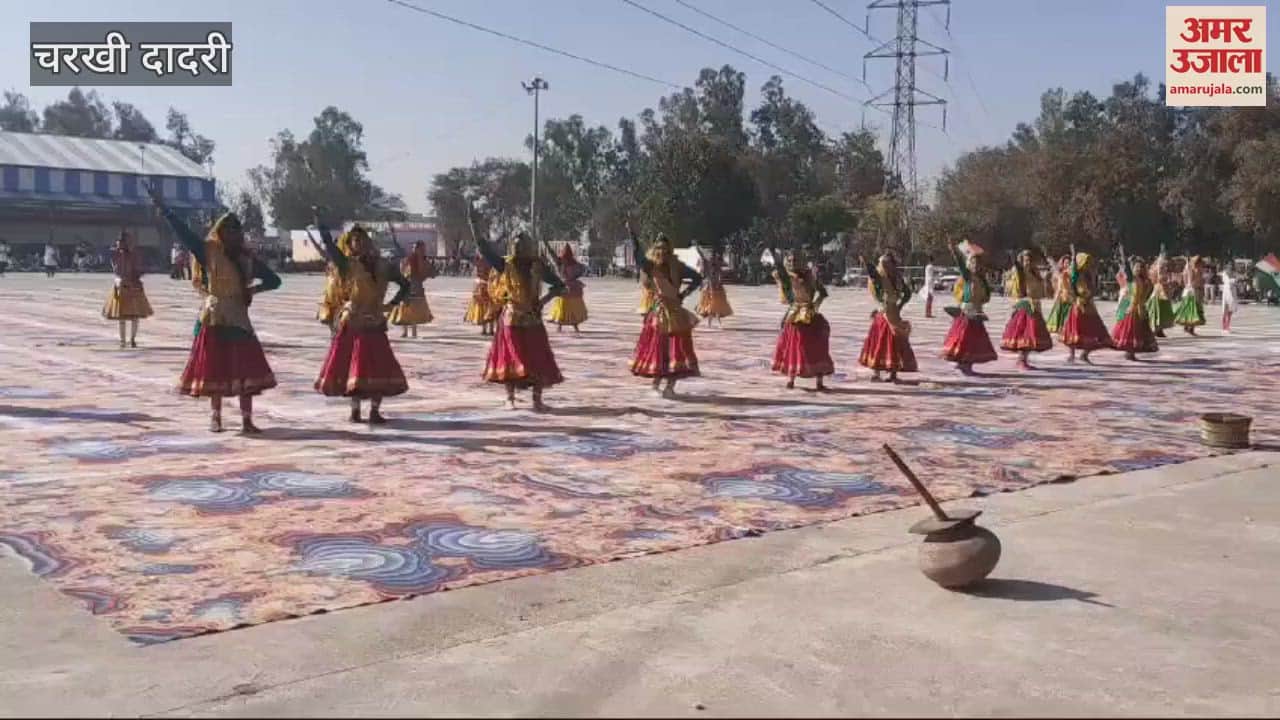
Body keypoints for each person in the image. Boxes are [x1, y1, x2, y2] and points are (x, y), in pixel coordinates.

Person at [149, 184, 279, 434]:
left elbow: (274, 280)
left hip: (239, 319)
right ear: (220, 232)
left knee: (246, 369)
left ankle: (247, 420)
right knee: (215, 368)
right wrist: (165, 210)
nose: (231, 234)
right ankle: (216, 417)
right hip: (215, 318)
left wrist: (252, 291)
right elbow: (185, 234)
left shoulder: (247, 259)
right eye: (226, 230)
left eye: (234, 230)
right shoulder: (209, 252)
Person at [313, 219, 410, 424]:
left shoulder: (384, 265)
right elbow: (331, 249)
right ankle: (355, 410)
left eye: (362, 239)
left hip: (375, 322)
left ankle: (375, 411)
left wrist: (393, 303)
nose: (359, 243)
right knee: (354, 367)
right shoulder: (348, 265)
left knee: (379, 367)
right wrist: (323, 230)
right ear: (350, 245)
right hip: (354, 322)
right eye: (354, 240)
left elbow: (405, 284)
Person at [470, 208, 565, 411]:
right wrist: (474, 226)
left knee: (538, 357)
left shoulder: (537, 266)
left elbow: (559, 285)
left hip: (532, 318)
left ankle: (537, 399)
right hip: (511, 319)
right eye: (515, 242)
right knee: (511, 357)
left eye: (522, 242)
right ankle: (510, 398)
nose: (518, 245)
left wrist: (544, 300)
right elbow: (485, 249)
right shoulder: (506, 265)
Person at [629, 222, 702, 398]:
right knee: (666, 350)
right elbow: (698, 278)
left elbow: (639, 256)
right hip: (667, 312)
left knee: (670, 350)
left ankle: (666, 385)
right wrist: (683, 294)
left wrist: (632, 234)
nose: (662, 253)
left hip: (667, 313)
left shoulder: (656, 266)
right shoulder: (659, 266)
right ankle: (662, 384)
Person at [769, 246, 833, 390]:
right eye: (790, 260)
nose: (793, 263)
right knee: (794, 346)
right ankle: (791, 379)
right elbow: (779, 275)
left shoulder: (810, 276)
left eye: (795, 260)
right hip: (795, 314)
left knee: (817, 347)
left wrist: (814, 305)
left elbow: (822, 292)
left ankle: (819, 381)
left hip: (810, 315)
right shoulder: (788, 276)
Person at [859, 251, 917, 383]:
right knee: (879, 343)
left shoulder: (897, 277)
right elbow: (872, 274)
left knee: (895, 343)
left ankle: (893, 373)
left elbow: (907, 293)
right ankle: (876, 372)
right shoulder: (880, 277)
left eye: (887, 264)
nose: (885, 266)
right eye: (883, 264)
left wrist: (900, 305)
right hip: (883, 315)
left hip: (894, 314)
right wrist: (867, 263)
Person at [941, 243, 998, 375]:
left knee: (974, 341)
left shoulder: (982, 280)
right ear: (969, 264)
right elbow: (961, 265)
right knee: (963, 339)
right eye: (973, 263)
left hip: (977, 313)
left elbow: (985, 297)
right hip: (966, 313)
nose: (976, 266)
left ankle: (968, 364)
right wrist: (955, 253)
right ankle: (962, 363)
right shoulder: (968, 277)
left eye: (978, 264)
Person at [1001, 250, 1053, 370]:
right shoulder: (1020, 273)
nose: (1028, 262)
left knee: (1032, 335)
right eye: (1025, 260)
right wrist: (1014, 258)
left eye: (1030, 260)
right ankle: (1021, 360)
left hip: (1034, 306)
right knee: (1025, 334)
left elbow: (1041, 290)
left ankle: (1024, 359)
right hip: (1024, 306)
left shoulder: (1035, 274)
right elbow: (1018, 269)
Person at [102, 230, 154, 348]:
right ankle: (123, 340)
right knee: (122, 316)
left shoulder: (134, 254)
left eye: (122, 242)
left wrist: (138, 274)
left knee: (134, 316)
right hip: (121, 285)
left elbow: (139, 268)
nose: (121, 244)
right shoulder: (116, 254)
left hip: (133, 286)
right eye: (120, 242)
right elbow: (115, 266)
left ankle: (132, 339)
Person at [1061, 248, 1113, 364]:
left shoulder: (1088, 275)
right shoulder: (1074, 275)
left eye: (1088, 263)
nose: (1087, 265)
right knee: (1075, 330)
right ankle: (1072, 355)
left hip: (1089, 305)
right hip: (1078, 306)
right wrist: (1073, 257)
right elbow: (1072, 279)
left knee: (1094, 330)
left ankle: (1084, 355)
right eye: (1085, 263)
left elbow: (1092, 289)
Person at [1110, 247, 1158, 361]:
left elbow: (1147, 294)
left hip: (1141, 308)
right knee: (1130, 332)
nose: (1138, 269)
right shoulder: (1132, 279)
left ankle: (1132, 353)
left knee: (1140, 332)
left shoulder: (1146, 281)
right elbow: (1126, 269)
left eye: (1141, 267)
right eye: (1136, 266)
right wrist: (1123, 255)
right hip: (1132, 308)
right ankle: (1129, 352)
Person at [388, 240, 435, 339]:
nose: (422, 250)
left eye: (422, 248)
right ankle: (405, 331)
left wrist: (427, 274)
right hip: (409, 285)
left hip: (417, 286)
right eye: (419, 248)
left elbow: (429, 272)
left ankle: (414, 331)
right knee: (405, 308)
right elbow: (403, 270)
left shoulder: (423, 260)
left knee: (415, 309)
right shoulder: (408, 259)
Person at [305, 229, 346, 337]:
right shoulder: (328, 258)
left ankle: (337, 334)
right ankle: (334, 334)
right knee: (330, 317)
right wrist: (310, 237)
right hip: (331, 291)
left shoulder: (344, 260)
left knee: (341, 316)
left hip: (342, 291)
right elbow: (319, 249)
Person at [546, 243, 588, 333]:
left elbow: (552, 255)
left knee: (562, 306)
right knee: (572, 307)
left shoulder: (560, 262)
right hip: (574, 288)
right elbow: (582, 270)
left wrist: (547, 246)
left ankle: (560, 326)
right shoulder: (575, 264)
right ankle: (575, 326)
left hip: (563, 287)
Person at [694, 245, 733, 326]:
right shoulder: (707, 265)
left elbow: (722, 273)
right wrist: (698, 249)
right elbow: (703, 258)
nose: (712, 258)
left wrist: (719, 281)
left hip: (716, 287)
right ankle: (710, 323)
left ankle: (716, 322)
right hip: (710, 287)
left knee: (717, 305)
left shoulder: (717, 265)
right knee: (711, 305)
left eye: (713, 256)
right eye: (711, 256)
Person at [463, 252, 498, 336]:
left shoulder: (481, 261)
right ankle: (487, 329)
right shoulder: (489, 260)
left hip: (485, 286)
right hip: (485, 286)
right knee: (486, 308)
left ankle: (488, 329)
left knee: (487, 308)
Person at [1173, 255, 1207, 335]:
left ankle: (1188, 326)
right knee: (1193, 310)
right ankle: (1190, 328)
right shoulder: (1196, 270)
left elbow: (1186, 281)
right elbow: (1194, 281)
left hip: (1189, 290)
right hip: (1194, 291)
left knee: (1190, 310)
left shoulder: (1190, 269)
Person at [1147, 247, 1176, 337]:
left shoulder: (1161, 266)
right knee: (1157, 310)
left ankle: (1159, 329)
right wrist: (1166, 282)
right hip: (1159, 290)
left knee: (1162, 310)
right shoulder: (1159, 265)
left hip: (1161, 289)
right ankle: (1155, 329)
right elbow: (1159, 278)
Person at [1045, 255, 1073, 336]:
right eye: (1065, 263)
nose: (1067, 264)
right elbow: (1058, 284)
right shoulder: (1060, 273)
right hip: (1061, 295)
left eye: (1068, 263)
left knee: (1068, 312)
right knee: (1059, 312)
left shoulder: (1071, 273)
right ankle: (1058, 327)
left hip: (1069, 295)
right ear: (1063, 264)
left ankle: (1067, 327)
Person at [1221, 264, 1237, 334]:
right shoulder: (1224, 274)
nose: (1230, 269)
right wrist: (1234, 280)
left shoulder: (1234, 274)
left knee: (1230, 310)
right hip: (1226, 292)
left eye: (1231, 267)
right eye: (1228, 267)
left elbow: (1234, 282)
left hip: (1232, 293)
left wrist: (1235, 279)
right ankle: (1224, 327)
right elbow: (1228, 281)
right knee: (1225, 310)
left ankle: (1228, 326)